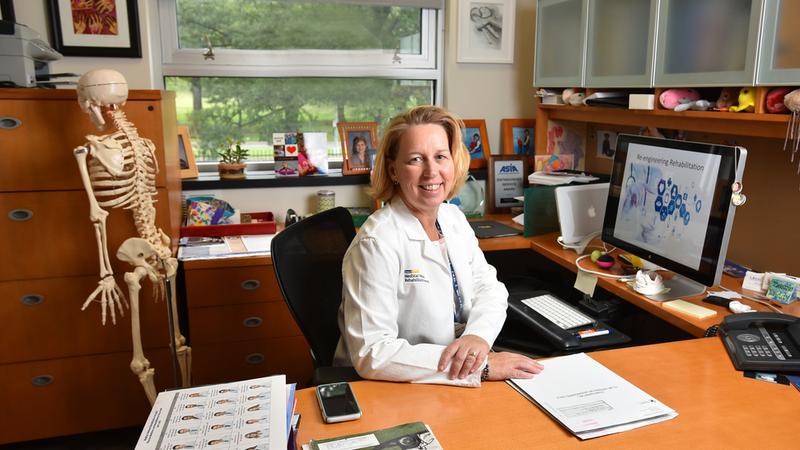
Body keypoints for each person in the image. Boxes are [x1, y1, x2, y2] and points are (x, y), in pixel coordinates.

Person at [333, 105, 543, 386]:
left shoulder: (452, 217)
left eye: (440, 157)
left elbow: (488, 287)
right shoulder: (376, 243)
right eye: (416, 159)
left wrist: (477, 336)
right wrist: (481, 366)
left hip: (451, 370)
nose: (432, 172)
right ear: (394, 169)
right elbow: (373, 354)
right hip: (391, 385)